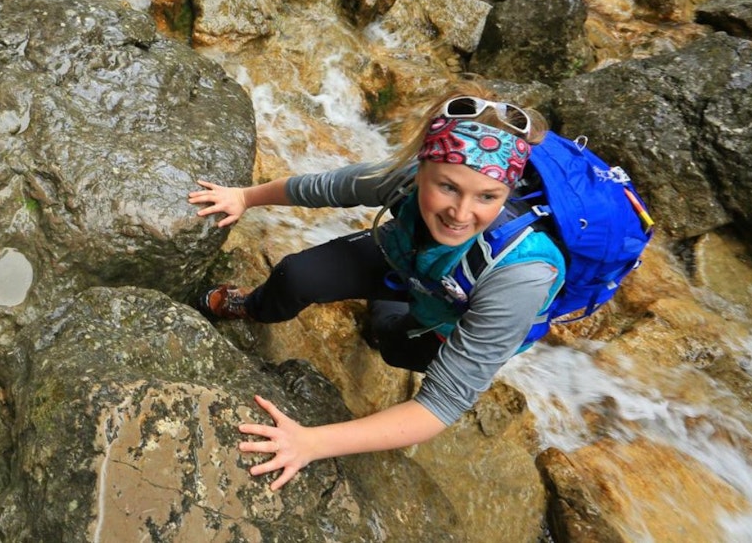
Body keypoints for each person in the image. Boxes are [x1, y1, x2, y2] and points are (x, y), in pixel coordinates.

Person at [187, 84, 564, 490]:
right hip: (407, 259)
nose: (460, 213)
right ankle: (254, 307)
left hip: (455, 315)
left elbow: (441, 403)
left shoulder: (521, 274)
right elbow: (325, 187)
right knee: (297, 275)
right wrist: (245, 197)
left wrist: (311, 442)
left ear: (508, 191)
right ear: (421, 169)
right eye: (447, 187)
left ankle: (384, 317)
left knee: (392, 344)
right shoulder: (404, 179)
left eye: (487, 196)